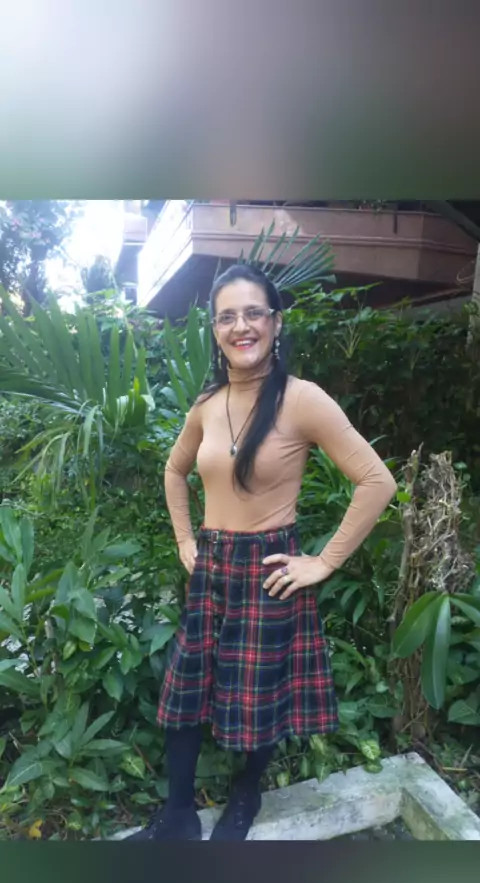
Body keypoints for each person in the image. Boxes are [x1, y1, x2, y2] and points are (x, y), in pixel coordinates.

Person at [129, 264, 397, 842]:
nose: (241, 326)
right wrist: (185, 540)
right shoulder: (208, 403)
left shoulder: (303, 400)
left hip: (270, 569)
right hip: (212, 567)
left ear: (276, 323)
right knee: (186, 689)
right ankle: (178, 812)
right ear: (215, 330)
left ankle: (245, 798)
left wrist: (324, 561)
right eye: (226, 316)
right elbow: (175, 472)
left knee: (260, 695)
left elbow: (377, 481)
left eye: (254, 313)